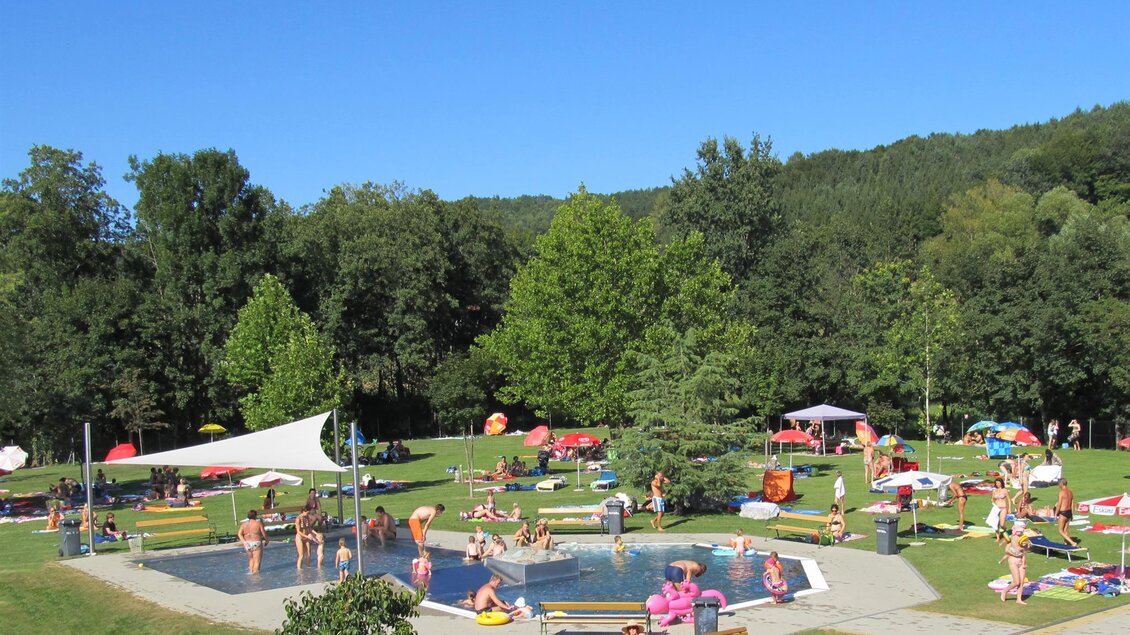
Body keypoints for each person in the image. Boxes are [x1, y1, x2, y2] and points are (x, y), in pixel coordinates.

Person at [998, 522, 1029, 605]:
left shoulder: (1023, 538)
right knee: (1016, 582)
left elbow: (1024, 550)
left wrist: (1026, 547)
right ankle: (1005, 591)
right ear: (1015, 530)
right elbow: (1007, 550)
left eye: (1021, 531)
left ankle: (1019, 599)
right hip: (1013, 561)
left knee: (1021, 582)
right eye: (1018, 530)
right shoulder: (1012, 538)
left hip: (1021, 560)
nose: (1020, 532)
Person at [236, 510, 268, 574]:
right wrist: (267, 540)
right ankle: (255, 576)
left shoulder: (243, 524)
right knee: (257, 561)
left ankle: (250, 572)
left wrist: (244, 542)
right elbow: (263, 533)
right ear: (255, 516)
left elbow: (239, 534)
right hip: (256, 542)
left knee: (251, 559)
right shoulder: (258, 523)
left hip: (247, 543)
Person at [1054, 479, 1078, 546]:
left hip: (1063, 513)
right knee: (1065, 530)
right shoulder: (1070, 492)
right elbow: (1072, 504)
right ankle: (1066, 544)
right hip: (1069, 512)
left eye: (1059, 484)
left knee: (1060, 531)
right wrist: (1072, 514)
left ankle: (1072, 543)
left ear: (1061, 484)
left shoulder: (1061, 492)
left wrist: (1056, 514)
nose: (1058, 486)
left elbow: (1059, 504)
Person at [989, 477, 1011, 544]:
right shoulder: (994, 490)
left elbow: (1009, 500)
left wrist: (1009, 508)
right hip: (996, 508)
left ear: (1001, 483)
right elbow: (992, 499)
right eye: (996, 483)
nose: (998, 484)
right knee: (995, 523)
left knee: (1001, 524)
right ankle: (998, 537)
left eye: (999, 483)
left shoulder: (1005, 490)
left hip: (1003, 508)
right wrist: (993, 503)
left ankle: (1005, 530)